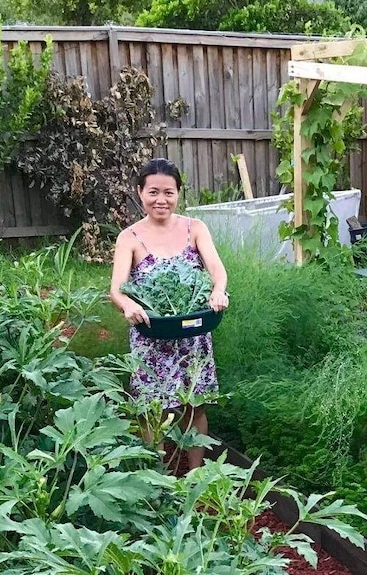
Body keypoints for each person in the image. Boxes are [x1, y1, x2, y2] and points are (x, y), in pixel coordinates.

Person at [109, 158, 229, 470]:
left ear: (178, 194)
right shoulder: (129, 237)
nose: (161, 200)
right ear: (140, 192)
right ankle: (158, 476)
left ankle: (194, 473)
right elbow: (116, 290)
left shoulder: (195, 229)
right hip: (151, 337)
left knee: (194, 406)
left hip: (193, 338)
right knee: (154, 410)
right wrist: (128, 305)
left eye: (169, 192)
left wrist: (218, 291)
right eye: (153, 192)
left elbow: (216, 269)